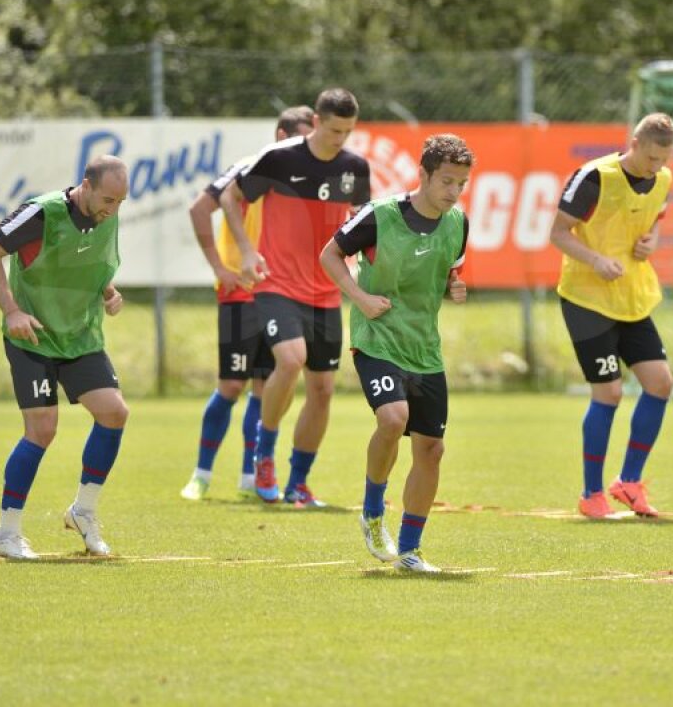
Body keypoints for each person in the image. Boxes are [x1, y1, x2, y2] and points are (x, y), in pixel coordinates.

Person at [320, 133, 471, 573]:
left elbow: (450, 270)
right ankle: (371, 510)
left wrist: (454, 286)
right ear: (422, 174)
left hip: (423, 348)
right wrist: (359, 298)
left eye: (460, 183)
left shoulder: (458, 222)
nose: (453, 191)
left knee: (432, 449)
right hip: (376, 337)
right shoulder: (379, 215)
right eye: (445, 181)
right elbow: (330, 255)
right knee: (392, 417)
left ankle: (409, 551)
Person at [0, 155, 130, 560]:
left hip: (80, 337)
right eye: (108, 200)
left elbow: (86, 263)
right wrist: (11, 311)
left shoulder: (105, 215)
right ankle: (6, 533)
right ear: (86, 185)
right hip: (34, 339)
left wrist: (108, 292)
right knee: (42, 430)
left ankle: (84, 512)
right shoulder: (40, 214)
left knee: (114, 412)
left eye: (120, 202)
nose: (112, 210)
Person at [223, 88, 371, 506]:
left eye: (348, 131)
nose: (340, 138)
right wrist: (248, 252)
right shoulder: (280, 158)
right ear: (318, 122)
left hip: (325, 291)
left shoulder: (354, 167)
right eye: (334, 129)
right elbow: (230, 199)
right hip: (277, 284)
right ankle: (263, 455)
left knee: (323, 389)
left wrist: (362, 273)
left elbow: (361, 224)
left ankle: (299, 482)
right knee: (290, 358)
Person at [181, 106, 314, 501]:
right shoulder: (249, 167)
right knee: (232, 383)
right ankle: (201, 474)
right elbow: (199, 208)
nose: (303, 149)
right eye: (297, 139)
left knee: (265, 385)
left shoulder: (305, 179)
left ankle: (249, 475)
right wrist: (219, 267)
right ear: (279, 135)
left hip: (281, 292)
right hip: (241, 290)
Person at [548, 113, 673, 520]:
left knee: (660, 383)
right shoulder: (593, 177)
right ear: (634, 144)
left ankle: (629, 484)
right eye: (652, 157)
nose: (657, 166)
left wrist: (649, 243)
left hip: (633, 296)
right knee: (610, 393)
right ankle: (591, 494)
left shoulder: (664, 179)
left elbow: (654, 222)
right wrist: (596, 260)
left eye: (664, 159)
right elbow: (558, 233)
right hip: (587, 300)